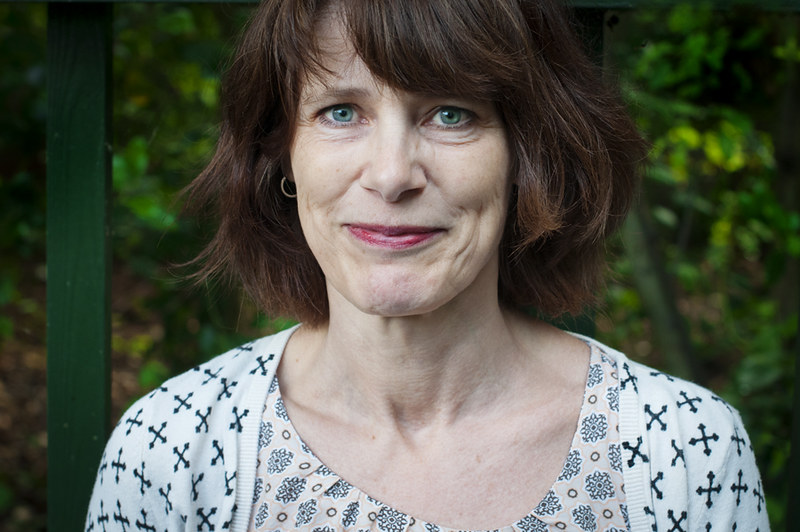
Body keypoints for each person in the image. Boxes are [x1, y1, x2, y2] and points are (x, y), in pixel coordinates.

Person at [85, 0, 769, 531]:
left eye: (450, 114)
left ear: (526, 159)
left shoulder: (684, 453)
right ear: (282, 155)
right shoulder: (173, 451)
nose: (391, 176)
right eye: (341, 111)